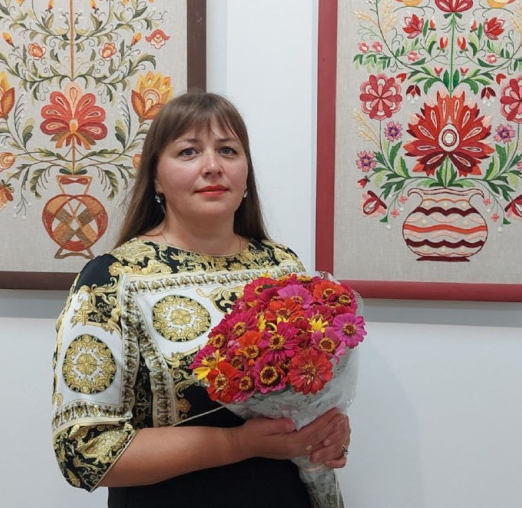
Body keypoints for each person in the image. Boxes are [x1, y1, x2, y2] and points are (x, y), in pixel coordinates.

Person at [51, 92, 351, 507]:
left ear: (245, 173)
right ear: (156, 178)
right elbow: (83, 452)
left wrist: (329, 432)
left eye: (227, 150)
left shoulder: (282, 267)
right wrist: (238, 444)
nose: (212, 166)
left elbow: (310, 393)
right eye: (189, 151)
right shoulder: (112, 280)